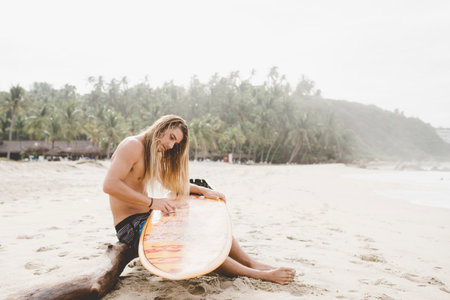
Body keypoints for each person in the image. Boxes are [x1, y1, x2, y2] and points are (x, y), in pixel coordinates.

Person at [103, 114, 296, 285]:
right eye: (171, 137)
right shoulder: (132, 146)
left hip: (147, 215)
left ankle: (251, 262)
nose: (170, 145)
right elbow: (109, 185)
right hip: (129, 226)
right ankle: (256, 274)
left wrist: (203, 190)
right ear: (161, 127)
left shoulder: (155, 152)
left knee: (202, 227)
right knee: (191, 241)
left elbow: (171, 183)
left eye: (175, 143)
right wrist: (154, 202)